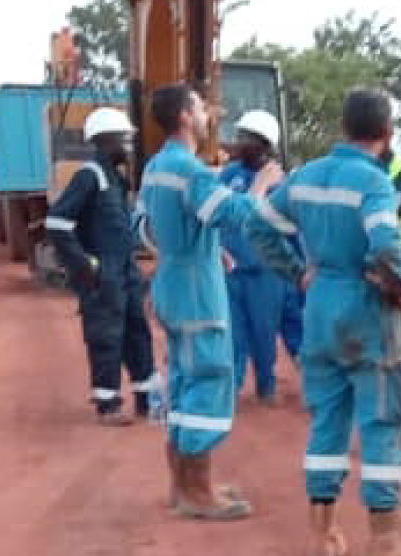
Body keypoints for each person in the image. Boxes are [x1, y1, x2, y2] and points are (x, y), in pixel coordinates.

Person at [245, 87, 401, 556]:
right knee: (381, 421)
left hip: (320, 307)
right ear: (386, 132)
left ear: (343, 127)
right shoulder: (373, 183)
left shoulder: (306, 177)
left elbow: (257, 225)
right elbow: (385, 242)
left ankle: (320, 536)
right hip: (366, 311)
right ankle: (384, 541)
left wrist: (296, 272)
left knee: (327, 421)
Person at [137, 82, 273, 520]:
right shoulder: (191, 171)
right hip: (197, 293)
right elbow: (235, 214)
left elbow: (146, 228)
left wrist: (200, 247)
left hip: (172, 281)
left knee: (181, 379)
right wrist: (263, 186)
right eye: (199, 106)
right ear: (183, 116)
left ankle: (183, 486)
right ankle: (198, 493)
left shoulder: (157, 167)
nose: (206, 113)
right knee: (210, 378)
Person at [44, 106, 157, 426]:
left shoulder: (115, 179)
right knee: (106, 336)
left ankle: (146, 400)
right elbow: (57, 222)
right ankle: (107, 404)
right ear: (106, 140)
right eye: (125, 140)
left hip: (125, 271)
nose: (129, 147)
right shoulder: (89, 175)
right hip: (103, 275)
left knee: (138, 333)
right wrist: (84, 265)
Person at [218, 111, 291, 405]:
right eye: (239, 136)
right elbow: (223, 214)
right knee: (232, 332)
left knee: (264, 331)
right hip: (231, 266)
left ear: (265, 144)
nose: (239, 143)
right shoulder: (228, 175)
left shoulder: (281, 183)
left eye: (246, 138)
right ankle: (232, 387)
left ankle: (266, 384)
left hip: (266, 271)